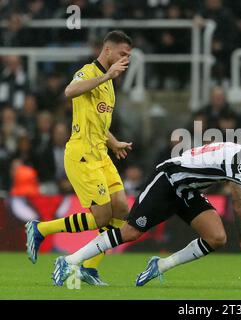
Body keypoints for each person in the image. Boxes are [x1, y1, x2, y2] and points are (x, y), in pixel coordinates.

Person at [51, 135, 241, 286]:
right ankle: (69, 261)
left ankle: (160, 266)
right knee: (131, 232)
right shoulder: (239, 160)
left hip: (187, 190)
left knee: (216, 237)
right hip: (168, 180)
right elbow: (240, 205)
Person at [25, 30, 133, 286]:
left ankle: (89, 269)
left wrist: (114, 142)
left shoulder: (109, 84)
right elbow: (70, 91)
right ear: (108, 50)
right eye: (123, 53)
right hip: (82, 154)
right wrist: (106, 75)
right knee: (101, 218)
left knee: (122, 210)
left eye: (128, 55)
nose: (126, 58)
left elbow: (98, 123)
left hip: (101, 154)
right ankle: (41, 229)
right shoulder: (89, 71)